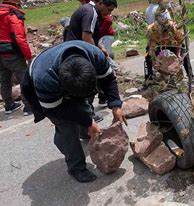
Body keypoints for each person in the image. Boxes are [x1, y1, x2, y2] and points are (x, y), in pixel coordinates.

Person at [21, 41, 125, 183]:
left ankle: (85, 132)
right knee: (66, 126)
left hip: (68, 77)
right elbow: (56, 109)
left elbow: (108, 79)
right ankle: (76, 167)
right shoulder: (45, 79)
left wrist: (115, 105)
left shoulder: (95, 56)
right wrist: (88, 121)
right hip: (40, 85)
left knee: (85, 108)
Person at [65, 0, 118, 121]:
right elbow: (86, 37)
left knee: (84, 84)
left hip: (74, 50)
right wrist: (98, 55)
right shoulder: (91, 12)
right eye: (108, 9)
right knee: (88, 83)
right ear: (100, 4)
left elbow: (91, 37)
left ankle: (85, 115)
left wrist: (100, 48)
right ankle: (88, 117)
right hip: (79, 53)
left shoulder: (87, 10)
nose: (109, 13)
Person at [0, 0, 32, 115]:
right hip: (11, 53)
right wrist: (28, 56)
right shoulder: (12, 16)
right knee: (24, 79)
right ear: (15, 4)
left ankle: (9, 105)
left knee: (5, 80)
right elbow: (20, 38)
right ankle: (29, 106)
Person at [144, 0, 194, 83]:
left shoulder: (171, 27)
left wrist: (178, 54)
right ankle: (149, 78)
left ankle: (190, 76)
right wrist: (153, 56)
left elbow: (180, 40)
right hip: (158, 44)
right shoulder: (153, 29)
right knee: (148, 56)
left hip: (171, 43)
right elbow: (151, 43)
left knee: (184, 52)